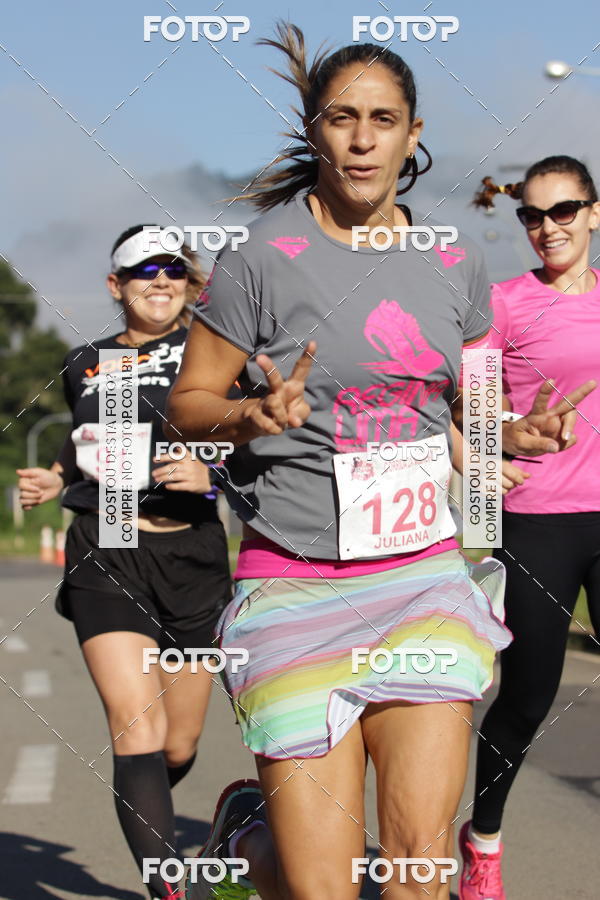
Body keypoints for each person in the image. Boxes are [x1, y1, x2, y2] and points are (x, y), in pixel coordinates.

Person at [168, 27, 593, 900]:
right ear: (314, 128)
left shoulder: (452, 259)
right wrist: (251, 412)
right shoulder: (258, 259)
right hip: (293, 581)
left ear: (411, 133)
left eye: (383, 120)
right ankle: (250, 843)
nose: (362, 139)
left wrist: (509, 435)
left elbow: (465, 402)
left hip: (423, 580)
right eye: (342, 118)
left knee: (414, 877)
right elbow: (187, 407)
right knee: (315, 888)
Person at [16, 225, 232, 900]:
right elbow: (84, 438)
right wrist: (55, 477)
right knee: (135, 725)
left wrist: (213, 477)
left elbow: (260, 441)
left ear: (188, 280)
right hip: (105, 548)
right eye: (144, 272)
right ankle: (166, 886)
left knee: (176, 744)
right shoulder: (86, 361)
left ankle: (185, 818)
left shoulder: (215, 356)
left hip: (193, 553)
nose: (161, 281)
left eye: (173, 268)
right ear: (118, 285)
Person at [458, 156, 600, 900]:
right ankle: (482, 839)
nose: (549, 227)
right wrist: (511, 436)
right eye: (533, 216)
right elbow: (469, 415)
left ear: (595, 212)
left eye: (565, 210)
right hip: (540, 518)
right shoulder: (505, 304)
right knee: (527, 698)